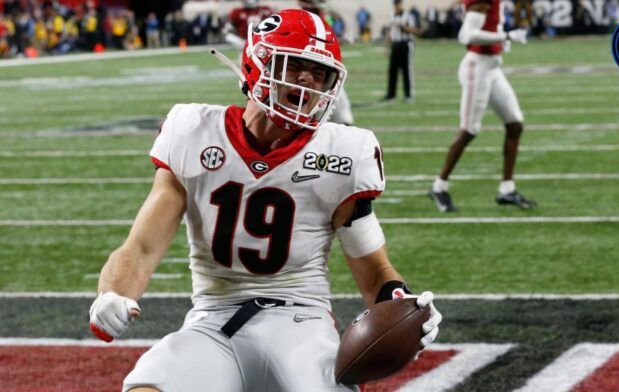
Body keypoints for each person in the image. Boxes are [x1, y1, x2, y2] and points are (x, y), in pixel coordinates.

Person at [88, 9, 441, 392]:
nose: (307, 80)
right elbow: (139, 248)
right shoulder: (193, 132)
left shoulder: (344, 154)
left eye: (318, 72)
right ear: (258, 65)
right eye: (295, 66)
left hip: (301, 323)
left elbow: (375, 272)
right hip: (212, 320)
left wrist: (402, 303)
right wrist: (113, 294)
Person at [428, 0, 536, 212]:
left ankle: (506, 189)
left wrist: (501, 37)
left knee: (515, 124)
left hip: (492, 67)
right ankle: (439, 187)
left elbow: (489, 25)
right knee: (469, 130)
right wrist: (505, 35)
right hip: (477, 68)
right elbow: (466, 35)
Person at [384, 0, 420, 103]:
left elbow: (415, 30)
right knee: (392, 70)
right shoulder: (391, 15)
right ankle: (391, 94)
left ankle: (408, 95)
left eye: (397, 4)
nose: (396, 6)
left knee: (406, 70)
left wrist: (403, 27)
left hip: (405, 44)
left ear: (401, 4)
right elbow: (390, 32)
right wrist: (387, 47)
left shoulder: (408, 16)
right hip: (395, 44)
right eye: (395, 4)